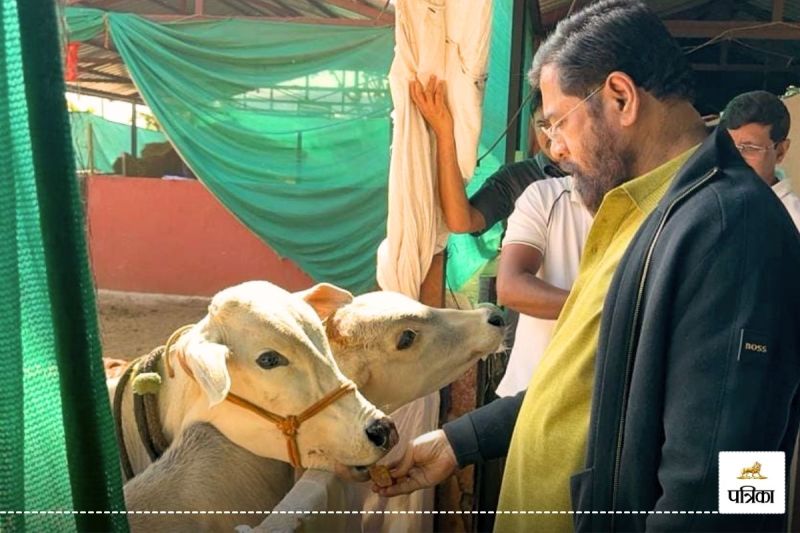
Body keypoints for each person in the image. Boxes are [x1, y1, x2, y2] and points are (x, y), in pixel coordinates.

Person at [375, 2, 800, 531]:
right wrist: (460, 441)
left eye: (558, 122)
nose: (556, 146)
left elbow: (740, 481)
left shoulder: (733, 228)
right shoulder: (641, 210)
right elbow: (604, 380)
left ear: (620, 97)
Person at [410, 81, 593, 397]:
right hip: (533, 326)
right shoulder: (519, 179)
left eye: (560, 123)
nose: (552, 137)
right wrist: (444, 134)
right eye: (542, 126)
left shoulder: (606, 174)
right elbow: (460, 220)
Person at [721, 90, 800, 230]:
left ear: (780, 151)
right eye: (729, 147)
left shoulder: (792, 222)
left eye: (750, 148)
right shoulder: (714, 205)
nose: (736, 158)